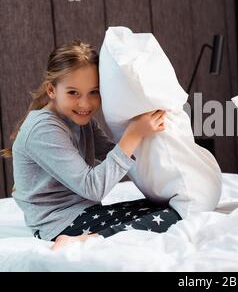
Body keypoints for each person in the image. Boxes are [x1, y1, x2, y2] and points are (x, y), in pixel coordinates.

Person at [0, 40, 182, 250]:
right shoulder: (44, 129)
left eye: (94, 92)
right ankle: (87, 240)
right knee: (173, 216)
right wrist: (133, 134)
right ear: (51, 90)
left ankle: (93, 235)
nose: (85, 104)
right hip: (59, 224)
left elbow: (114, 155)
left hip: (82, 214)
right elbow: (93, 188)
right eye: (73, 93)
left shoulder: (80, 120)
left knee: (168, 207)